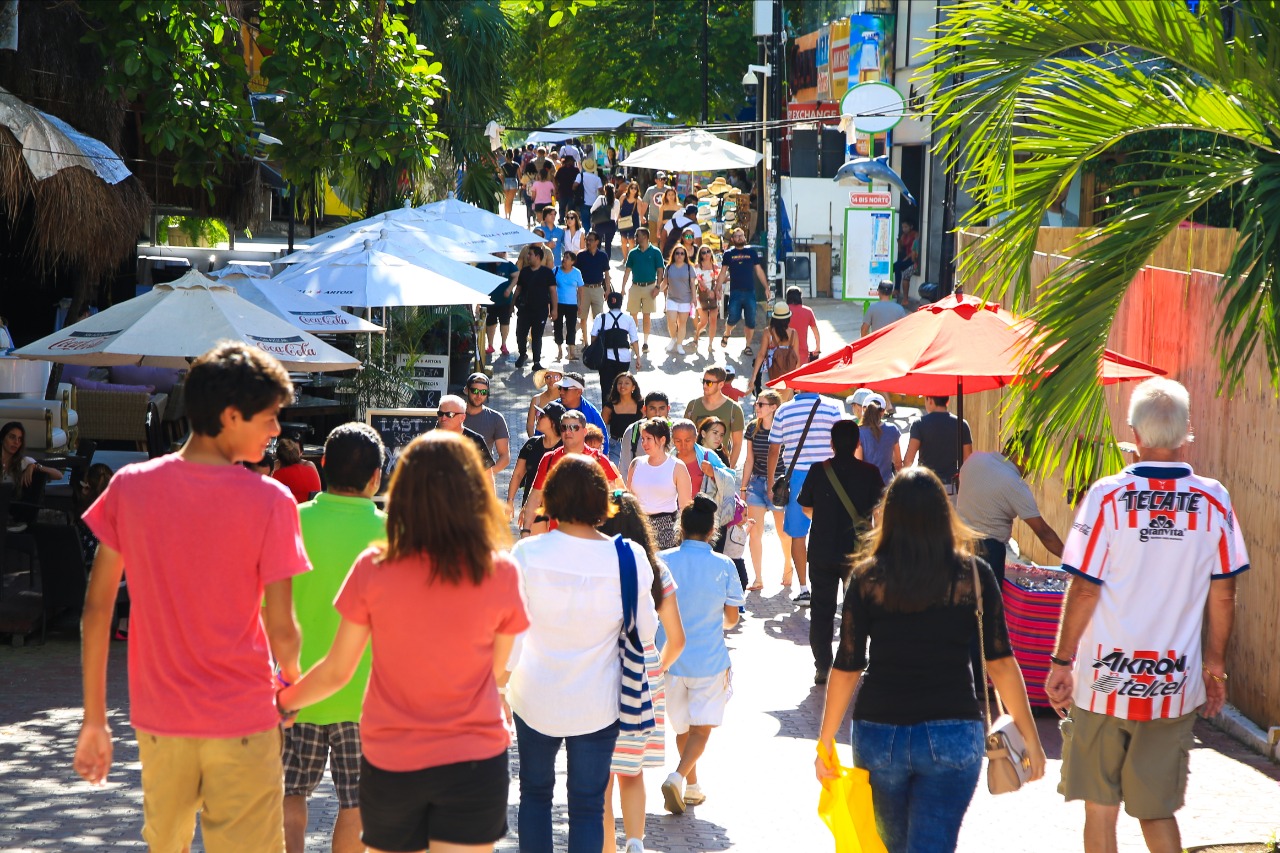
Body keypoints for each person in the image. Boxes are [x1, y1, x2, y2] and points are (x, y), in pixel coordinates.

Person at [73, 343, 312, 852]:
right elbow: (283, 625)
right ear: (230, 416)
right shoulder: (271, 501)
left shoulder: (130, 487)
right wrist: (289, 681)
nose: (276, 432)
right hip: (245, 720)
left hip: (162, 723)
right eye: (270, 419)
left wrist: (94, 719)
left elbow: (96, 610)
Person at [278, 432, 528, 853]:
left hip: (393, 755)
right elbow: (496, 667)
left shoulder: (375, 566)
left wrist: (285, 702)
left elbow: (338, 670)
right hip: (473, 755)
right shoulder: (501, 572)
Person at [1046, 378, 1247, 853]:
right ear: (1186, 432)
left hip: (1102, 682)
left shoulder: (1107, 497)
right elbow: (1224, 594)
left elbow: (1083, 590)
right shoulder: (1214, 500)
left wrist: (1062, 660)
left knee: (1100, 811)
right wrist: (1214, 667)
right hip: (1171, 684)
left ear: (1134, 433)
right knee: (1156, 812)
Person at [815, 467, 1046, 852]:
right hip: (952, 730)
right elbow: (1001, 663)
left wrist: (825, 741)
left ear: (888, 515)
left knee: (888, 846)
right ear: (945, 513)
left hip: (879, 730)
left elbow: (847, 665)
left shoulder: (868, 577)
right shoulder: (974, 574)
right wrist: (1032, 741)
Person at [508, 455, 659, 853]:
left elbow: (512, 633)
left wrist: (499, 684)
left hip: (533, 693)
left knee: (535, 794)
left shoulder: (527, 555)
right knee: (589, 805)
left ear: (552, 498)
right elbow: (645, 631)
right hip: (599, 698)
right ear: (601, 499)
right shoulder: (629, 557)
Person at [282, 423, 387, 853]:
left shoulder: (291, 522)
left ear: (322, 464)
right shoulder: (391, 534)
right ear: (377, 476)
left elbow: (266, 610)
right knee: (356, 804)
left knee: (291, 794)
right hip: (365, 696)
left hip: (297, 687)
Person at [599, 490, 685, 853]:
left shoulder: (597, 563)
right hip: (644, 668)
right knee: (631, 772)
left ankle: (607, 848)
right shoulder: (656, 569)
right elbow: (677, 639)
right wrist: (656, 667)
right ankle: (635, 843)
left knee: (600, 775)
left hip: (602, 668)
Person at [657, 495, 745, 815]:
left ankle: (691, 787)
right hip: (708, 660)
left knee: (683, 729)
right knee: (701, 729)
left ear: (681, 527)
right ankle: (678, 777)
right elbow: (732, 619)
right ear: (712, 531)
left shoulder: (661, 559)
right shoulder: (724, 566)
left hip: (668, 659)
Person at [798, 420, 885, 684]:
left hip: (822, 551)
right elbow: (879, 512)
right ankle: (852, 658)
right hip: (857, 553)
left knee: (821, 609)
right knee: (858, 607)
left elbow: (806, 508)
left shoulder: (818, 470)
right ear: (858, 442)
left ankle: (823, 665)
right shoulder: (870, 473)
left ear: (832, 443)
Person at [765, 389, 844, 606]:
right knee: (829, 531)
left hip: (797, 477)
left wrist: (771, 482)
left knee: (798, 534)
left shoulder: (784, 410)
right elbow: (839, 443)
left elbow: (774, 449)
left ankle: (803, 588)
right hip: (828, 475)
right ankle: (828, 587)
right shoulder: (832, 408)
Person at [957, 435, 1064, 584]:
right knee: (989, 603)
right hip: (988, 550)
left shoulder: (974, 460)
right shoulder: (1014, 484)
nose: (1030, 470)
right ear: (1021, 457)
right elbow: (1043, 532)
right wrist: (1072, 561)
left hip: (959, 541)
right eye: (1032, 463)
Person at [524, 408, 623, 530]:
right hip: (558, 537)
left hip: (591, 537)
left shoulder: (599, 460)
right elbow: (535, 497)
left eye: (574, 428)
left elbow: (611, 499)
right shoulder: (549, 459)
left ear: (584, 431)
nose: (568, 432)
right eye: (564, 428)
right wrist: (525, 530)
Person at [739, 390, 792, 590]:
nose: (757, 407)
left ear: (773, 408)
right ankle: (758, 578)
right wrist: (743, 488)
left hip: (778, 484)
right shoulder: (753, 428)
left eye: (761, 404)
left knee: (783, 532)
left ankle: (788, 566)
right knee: (755, 532)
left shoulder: (784, 430)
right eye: (756, 403)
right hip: (757, 483)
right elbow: (749, 459)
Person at [628, 418, 693, 549]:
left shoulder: (677, 467)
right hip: (638, 525)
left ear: (662, 440)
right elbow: (629, 498)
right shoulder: (636, 463)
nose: (644, 443)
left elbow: (685, 507)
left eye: (649, 438)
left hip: (666, 528)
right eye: (643, 439)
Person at [508, 404, 562, 535]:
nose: (537, 417)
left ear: (553, 422)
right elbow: (518, 474)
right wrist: (510, 501)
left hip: (558, 511)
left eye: (542, 415)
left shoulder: (565, 447)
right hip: (533, 509)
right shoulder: (531, 444)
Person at [904, 395, 973, 493]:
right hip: (951, 485)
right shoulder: (962, 424)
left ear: (930, 400)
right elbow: (968, 460)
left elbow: (908, 460)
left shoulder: (919, 424)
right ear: (947, 402)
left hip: (925, 484)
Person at [717, 227, 768, 357]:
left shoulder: (751, 253)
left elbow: (759, 271)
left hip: (750, 292)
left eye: (742, 236)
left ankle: (748, 346)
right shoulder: (728, 254)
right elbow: (723, 272)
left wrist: (766, 287)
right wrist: (717, 287)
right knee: (733, 318)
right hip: (735, 292)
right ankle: (727, 333)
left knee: (751, 321)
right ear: (733, 239)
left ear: (745, 238)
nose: (740, 238)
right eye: (737, 236)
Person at [682, 367, 746, 468]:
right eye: (703, 381)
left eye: (709, 383)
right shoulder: (693, 405)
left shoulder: (734, 409)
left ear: (721, 384)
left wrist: (728, 470)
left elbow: (737, 444)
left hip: (719, 467)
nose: (704, 386)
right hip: (694, 465)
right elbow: (684, 435)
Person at [512, 242, 559, 370]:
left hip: (541, 310)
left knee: (537, 336)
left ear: (538, 257)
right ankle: (522, 354)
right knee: (520, 334)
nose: (528, 256)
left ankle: (536, 362)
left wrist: (554, 309)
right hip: (524, 310)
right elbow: (518, 289)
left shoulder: (547, 273)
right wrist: (512, 304)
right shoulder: (525, 272)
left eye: (530, 254)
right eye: (528, 254)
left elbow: (553, 292)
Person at [591, 291, 642, 402]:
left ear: (608, 303)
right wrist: (638, 356)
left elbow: (593, 336)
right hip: (624, 358)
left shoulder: (601, 318)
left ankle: (606, 413)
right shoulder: (628, 319)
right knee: (622, 388)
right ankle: (620, 410)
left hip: (606, 359)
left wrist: (595, 350)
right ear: (621, 303)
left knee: (606, 388)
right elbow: (634, 339)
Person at [620, 228, 665, 353]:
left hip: (650, 286)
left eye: (637, 235)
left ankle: (645, 342)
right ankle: (634, 340)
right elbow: (627, 271)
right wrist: (623, 288)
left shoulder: (655, 252)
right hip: (635, 286)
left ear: (645, 236)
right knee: (632, 314)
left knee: (647, 315)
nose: (635, 237)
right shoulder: (633, 253)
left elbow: (660, 270)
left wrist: (657, 286)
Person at [462, 373, 511, 475]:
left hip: (481, 479)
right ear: (466, 390)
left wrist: (487, 475)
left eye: (483, 392)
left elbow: (505, 457)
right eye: (475, 391)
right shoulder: (452, 414)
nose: (479, 395)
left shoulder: (496, 418)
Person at [436, 393, 497, 471]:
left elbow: (487, 477)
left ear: (462, 418)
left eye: (449, 414)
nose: (443, 418)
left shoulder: (475, 441)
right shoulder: (429, 441)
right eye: (440, 414)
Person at [557, 372, 609, 455]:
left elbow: (604, 446)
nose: (561, 392)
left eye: (566, 389)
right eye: (560, 388)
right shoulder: (551, 409)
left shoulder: (593, 414)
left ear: (578, 392)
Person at [751, 303, 800, 390]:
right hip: (788, 376)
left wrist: (753, 377)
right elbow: (796, 358)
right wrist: (797, 380)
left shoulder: (768, 332)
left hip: (770, 375)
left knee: (769, 401)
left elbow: (761, 355)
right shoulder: (793, 333)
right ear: (788, 318)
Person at [620, 391, 670, 476]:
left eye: (662, 408)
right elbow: (624, 467)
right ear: (644, 409)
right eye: (652, 408)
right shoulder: (632, 431)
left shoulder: (676, 431)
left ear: (668, 409)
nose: (657, 413)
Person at [855, 393, 902, 483]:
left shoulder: (859, 432)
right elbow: (898, 463)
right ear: (883, 411)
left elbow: (858, 465)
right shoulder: (892, 429)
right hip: (887, 486)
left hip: (867, 486)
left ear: (864, 409)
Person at [576, 230, 612, 342]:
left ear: (597, 242)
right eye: (587, 240)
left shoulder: (603, 255)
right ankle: (585, 341)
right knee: (583, 317)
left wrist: (608, 290)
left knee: (599, 317)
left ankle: (596, 342)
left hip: (597, 289)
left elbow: (606, 274)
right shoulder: (581, 255)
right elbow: (576, 273)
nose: (588, 242)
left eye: (591, 240)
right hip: (584, 289)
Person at [483, 252, 519, 358]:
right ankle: (490, 345)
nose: (503, 253)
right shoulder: (485, 263)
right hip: (489, 300)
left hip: (504, 301)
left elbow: (517, 275)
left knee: (505, 322)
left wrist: (509, 288)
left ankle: (503, 344)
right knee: (490, 323)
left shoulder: (507, 264)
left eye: (504, 252)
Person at [662, 244, 696, 356]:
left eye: (682, 253)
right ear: (674, 254)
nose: (679, 255)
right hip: (671, 298)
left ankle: (680, 344)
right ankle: (673, 338)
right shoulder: (669, 267)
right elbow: (664, 283)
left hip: (685, 299)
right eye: (677, 253)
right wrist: (656, 290)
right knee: (671, 320)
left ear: (685, 255)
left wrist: (694, 298)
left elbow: (692, 284)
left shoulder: (689, 267)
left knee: (682, 323)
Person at [602, 372, 643, 462]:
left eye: (627, 383)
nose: (622, 386)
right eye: (619, 383)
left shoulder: (641, 405)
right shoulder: (609, 406)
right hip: (615, 446)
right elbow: (601, 428)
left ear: (633, 387)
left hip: (637, 444)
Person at [690, 246, 722, 355]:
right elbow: (699, 281)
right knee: (704, 321)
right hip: (702, 295)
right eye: (703, 252)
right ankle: (697, 335)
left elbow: (719, 281)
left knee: (713, 320)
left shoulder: (716, 267)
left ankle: (710, 344)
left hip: (714, 294)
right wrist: (709, 291)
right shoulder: (698, 267)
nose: (706, 254)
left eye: (708, 251)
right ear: (700, 255)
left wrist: (718, 292)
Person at [271, 436, 322, 503]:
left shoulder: (278, 475)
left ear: (279, 459)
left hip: (296, 511)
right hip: (314, 509)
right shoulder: (310, 469)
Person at [554, 250, 585, 361]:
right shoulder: (556, 270)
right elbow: (550, 287)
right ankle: (559, 350)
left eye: (567, 258)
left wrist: (580, 304)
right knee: (557, 327)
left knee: (571, 328)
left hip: (572, 304)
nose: (564, 259)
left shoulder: (577, 272)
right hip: (558, 303)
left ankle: (571, 352)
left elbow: (581, 289)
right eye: (564, 257)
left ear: (572, 261)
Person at [784, 286, 821, 362]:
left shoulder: (783, 311)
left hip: (784, 352)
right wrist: (817, 347)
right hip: (802, 353)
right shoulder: (808, 311)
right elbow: (816, 332)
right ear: (800, 297)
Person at [526, 365, 563, 437]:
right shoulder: (536, 399)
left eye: (555, 377)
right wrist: (533, 441)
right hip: (540, 441)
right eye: (548, 377)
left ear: (561, 379)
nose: (551, 380)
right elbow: (530, 425)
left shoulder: (565, 398)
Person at [892, 219, 919, 303]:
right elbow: (900, 250)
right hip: (907, 258)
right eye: (903, 227)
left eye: (906, 227)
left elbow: (915, 249)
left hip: (912, 259)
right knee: (893, 267)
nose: (904, 229)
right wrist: (899, 242)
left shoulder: (915, 235)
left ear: (911, 227)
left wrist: (907, 257)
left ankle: (896, 289)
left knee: (898, 266)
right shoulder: (904, 236)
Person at [617, 182, 643, 262]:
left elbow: (639, 211)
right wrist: (618, 216)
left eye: (635, 188)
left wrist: (642, 218)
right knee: (623, 239)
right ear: (629, 188)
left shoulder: (638, 199)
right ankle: (625, 258)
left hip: (633, 220)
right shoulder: (623, 197)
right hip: (623, 219)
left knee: (632, 240)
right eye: (632, 188)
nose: (633, 190)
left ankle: (630, 259)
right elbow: (618, 206)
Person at [555, 154, 581, 225]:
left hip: (566, 191)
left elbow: (556, 179)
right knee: (567, 206)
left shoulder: (562, 170)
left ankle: (564, 219)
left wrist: (557, 187)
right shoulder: (574, 170)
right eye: (572, 161)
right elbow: (556, 179)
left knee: (565, 207)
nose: (572, 162)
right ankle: (566, 219)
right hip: (568, 191)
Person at [500, 149, 521, 219]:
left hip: (505, 182)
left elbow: (502, 176)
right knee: (510, 200)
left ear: (506, 157)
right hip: (513, 182)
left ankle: (506, 215)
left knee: (506, 200)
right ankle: (509, 216)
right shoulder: (516, 165)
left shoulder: (502, 166)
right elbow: (519, 176)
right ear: (513, 156)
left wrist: (502, 184)